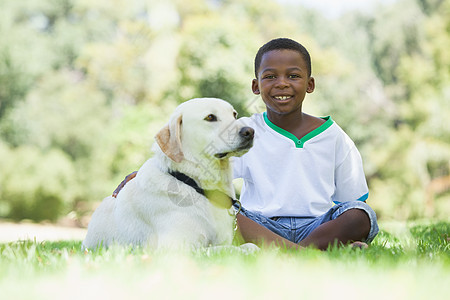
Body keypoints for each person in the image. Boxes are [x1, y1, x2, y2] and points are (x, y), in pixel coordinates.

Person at [113, 38, 379, 250]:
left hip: (318, 225)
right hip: (259, 225)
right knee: (227, 214)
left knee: (361, 214)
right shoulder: (242, 132)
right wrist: (142, 174)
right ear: (256, 86)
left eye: (294, 76)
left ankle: (299, 250)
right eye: (270, 76)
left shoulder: (336, 137)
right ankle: (312, 253)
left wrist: (337, 227)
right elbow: (194, 164)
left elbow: (350, 198)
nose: (282, 83)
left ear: (310, 84)